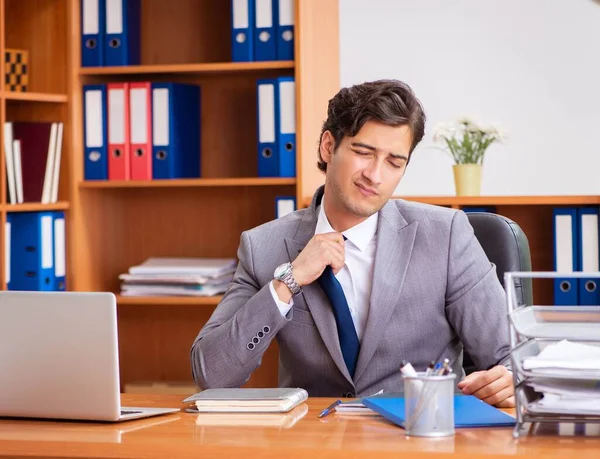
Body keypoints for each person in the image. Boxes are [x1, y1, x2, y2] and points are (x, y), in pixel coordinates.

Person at [190, 79, 514, 408]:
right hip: (315, 443)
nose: (375, 175)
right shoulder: (263, 246)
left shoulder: (445, 236)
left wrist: (509, 379)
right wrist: (289, 280)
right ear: (328, 146)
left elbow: (509, 357)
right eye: (363, 152)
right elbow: (212, 374)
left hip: (419, 438)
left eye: (394, 162)